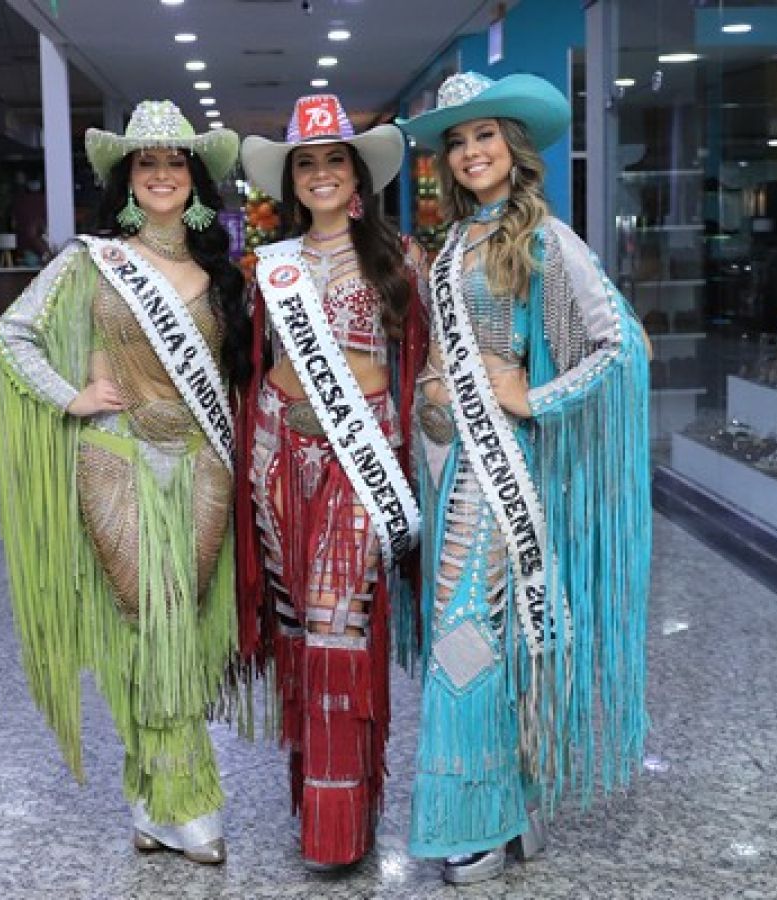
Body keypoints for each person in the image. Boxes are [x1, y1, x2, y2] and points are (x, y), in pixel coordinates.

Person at [397, 72, 653, 884]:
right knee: (492, 632)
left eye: (486, 136)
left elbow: (620, 347)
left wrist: (534, 397)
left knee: (466, 632)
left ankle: (476, 817)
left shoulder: (545, 236)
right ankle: (516, 809)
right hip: (445, 462)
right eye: (458, 141)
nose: (472, 152)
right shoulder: (453, 243)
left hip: (498, 462)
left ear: (514, 146)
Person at [0, 100, 250, 865]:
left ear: (195, 179)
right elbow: (13, 334)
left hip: (202, 462)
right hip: (117, 458)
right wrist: (71, 396)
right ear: (127, 179)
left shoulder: (220, 273)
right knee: (152, 618)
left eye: (175, 162)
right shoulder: (92, 261)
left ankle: (148, 799)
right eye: (147, 162)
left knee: (184, 621)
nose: (162, 174)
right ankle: (184, 801)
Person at [235, 94, 427, 870]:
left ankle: (342, 826)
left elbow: (427, 357)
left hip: (361, 453)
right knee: (298, 632)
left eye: (333, 159)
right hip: (279, 451)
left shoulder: (399, 257)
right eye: (306, 162)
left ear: (357, 173)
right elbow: (250, 358)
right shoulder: (270, 263)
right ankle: (316, 814)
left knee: (337, 622)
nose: (320, 173)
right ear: (291, 179)